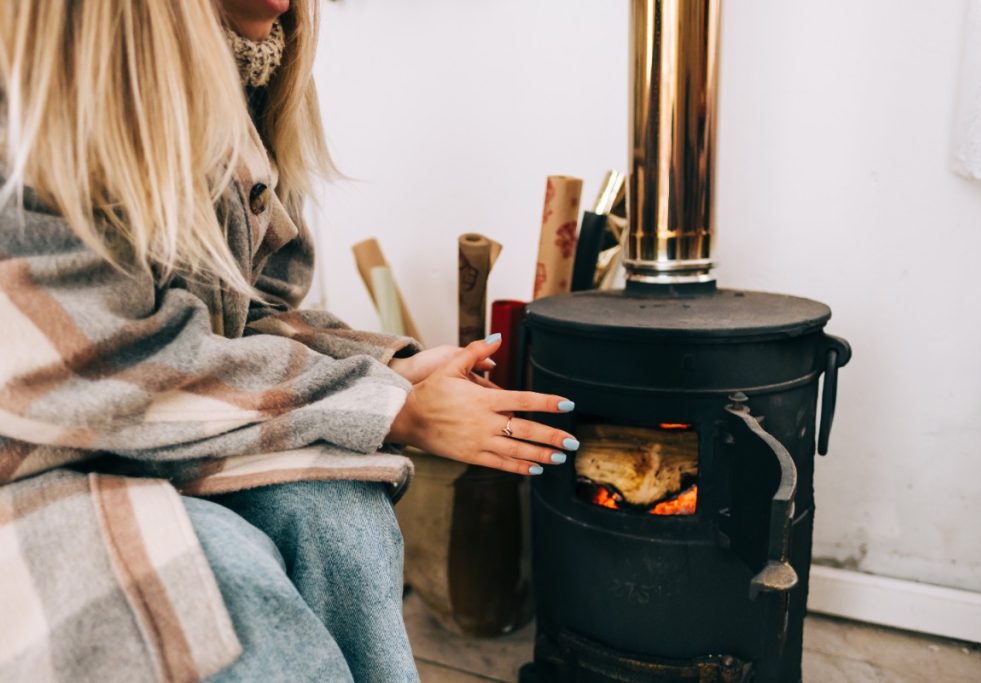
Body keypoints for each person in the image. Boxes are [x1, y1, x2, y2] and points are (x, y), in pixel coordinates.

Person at [0, 1, 578, 681]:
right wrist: (387, 408)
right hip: (34, 459)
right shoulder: (41, 95)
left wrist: (388, 368)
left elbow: (247, 319)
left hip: (140, 440)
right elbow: (87, 366)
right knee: (215, 578)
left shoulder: (243, 88)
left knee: (338, 512)